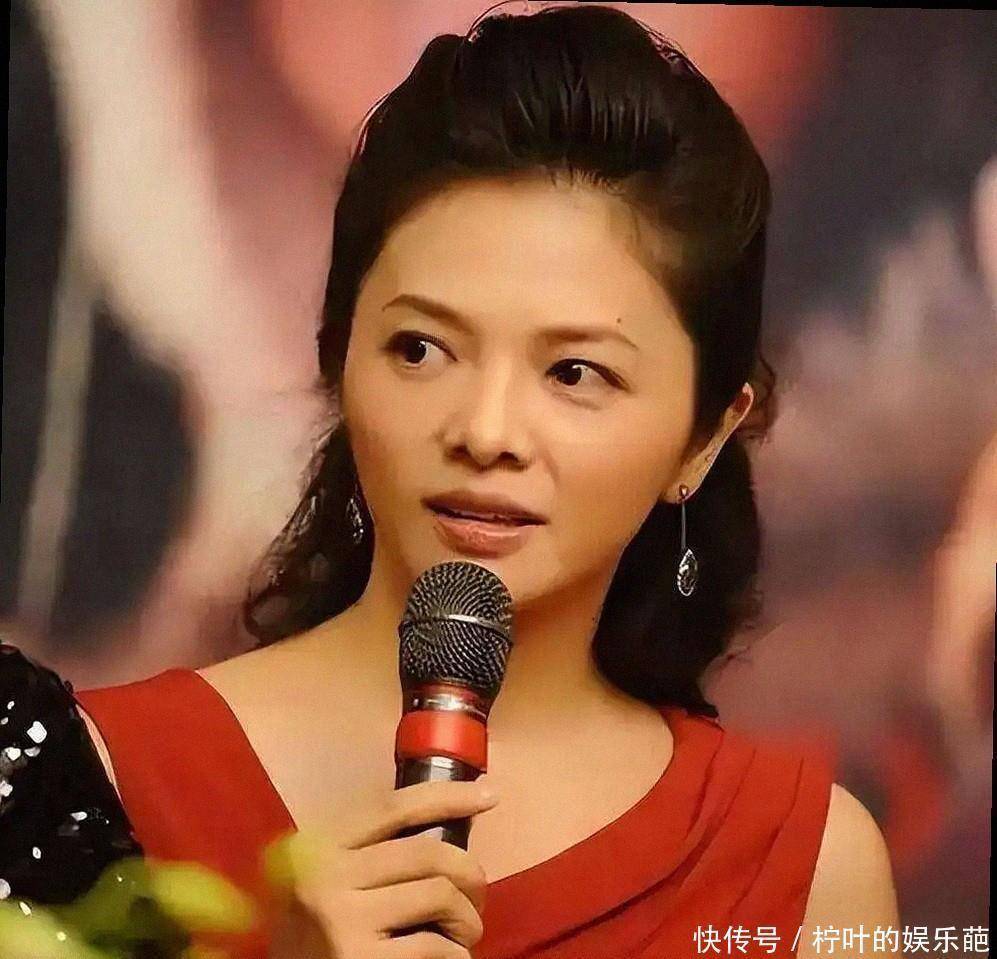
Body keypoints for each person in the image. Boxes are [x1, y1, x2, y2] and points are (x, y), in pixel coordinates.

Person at [1, 4, 900, 957]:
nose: (484, 431)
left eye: (574, 372)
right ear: (339, 355)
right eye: (421, 349)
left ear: (705, 437)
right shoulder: (84, 776)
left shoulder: (803, 866)